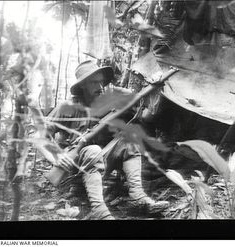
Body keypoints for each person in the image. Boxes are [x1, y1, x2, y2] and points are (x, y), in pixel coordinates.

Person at [46, 60, 169, 220]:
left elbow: (145, 111)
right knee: (93, 150)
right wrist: (56, 156)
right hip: (77, 169)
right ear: (82, 85)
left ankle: (138, 197)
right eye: (94, 82)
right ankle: (99, 211)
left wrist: (155, 86)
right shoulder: (67, 107)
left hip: (102, 166)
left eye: (101, 81)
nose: (100, 86)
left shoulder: (112, 97)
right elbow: (39, 135)